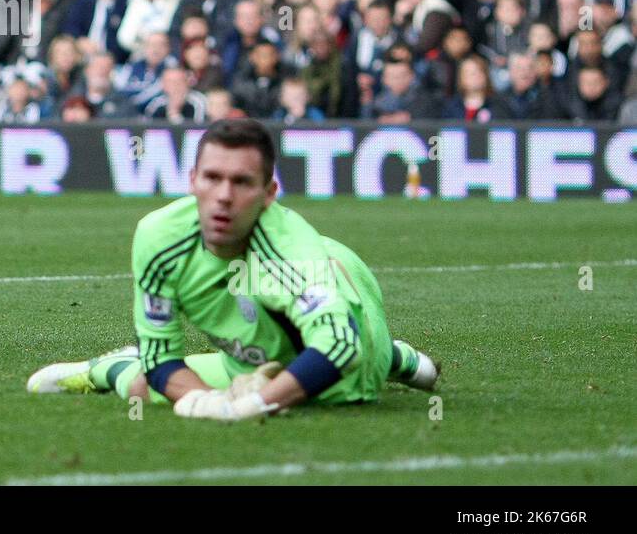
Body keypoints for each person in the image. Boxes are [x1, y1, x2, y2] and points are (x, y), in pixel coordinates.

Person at [27, 119, 439, 419]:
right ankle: (106, 368)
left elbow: (339, 347)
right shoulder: (158, 236)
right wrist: (213, 403)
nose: (223, 196)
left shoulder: (292, 251)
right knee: (142, 387)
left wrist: (251, 406)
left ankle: (390, 356)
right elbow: (161, 360)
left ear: (269, 193)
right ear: (192, 180)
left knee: (337, 380)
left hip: (348, 337)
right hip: (256, 349)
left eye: (242, 182)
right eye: (212, 178)